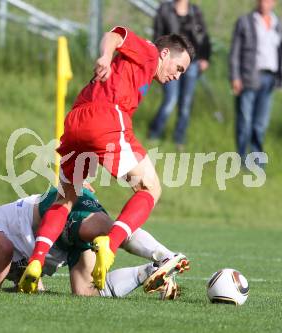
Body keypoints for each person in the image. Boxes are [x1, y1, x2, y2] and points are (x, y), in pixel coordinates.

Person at [21, 26, 194, 293]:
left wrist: (107, 60)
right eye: (179, 68)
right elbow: (117, 33)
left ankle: (35, 261)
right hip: (107, 117)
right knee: (151, 188)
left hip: (76, 121)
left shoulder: (141, 69)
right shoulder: (150, 52)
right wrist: (104, 55)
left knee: (66, 198)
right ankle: (110, 245)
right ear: (166, 53)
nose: (177, 76)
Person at [0, 188, 189, 298]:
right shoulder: (1, 267)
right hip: (61, 245)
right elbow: (36, 282)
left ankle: (165, 255)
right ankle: (151, 271)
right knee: (88, 293)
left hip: (51, 210)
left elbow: (4, 247)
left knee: (109, 230)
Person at [148, 0, 211, 150]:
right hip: (171, 61)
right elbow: (158, 34)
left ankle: (179, 139)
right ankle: (154, 133)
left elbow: (204, 37)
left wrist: (205, 57)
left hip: (192, 64)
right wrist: (158, 57)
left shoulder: (195, 11)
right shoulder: (165, 9)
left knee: (186, 103)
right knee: (171, 99)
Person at [229, 0, 282, 165]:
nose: (264, 3)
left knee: (260, 124)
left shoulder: (277, 24)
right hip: (248, 77)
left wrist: (279, 76)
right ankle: (241, 158)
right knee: (244, 121)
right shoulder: (245, 21)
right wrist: (235, 76)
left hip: (269, 78)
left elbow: (281, 51)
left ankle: (256, 161)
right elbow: (235, 52)